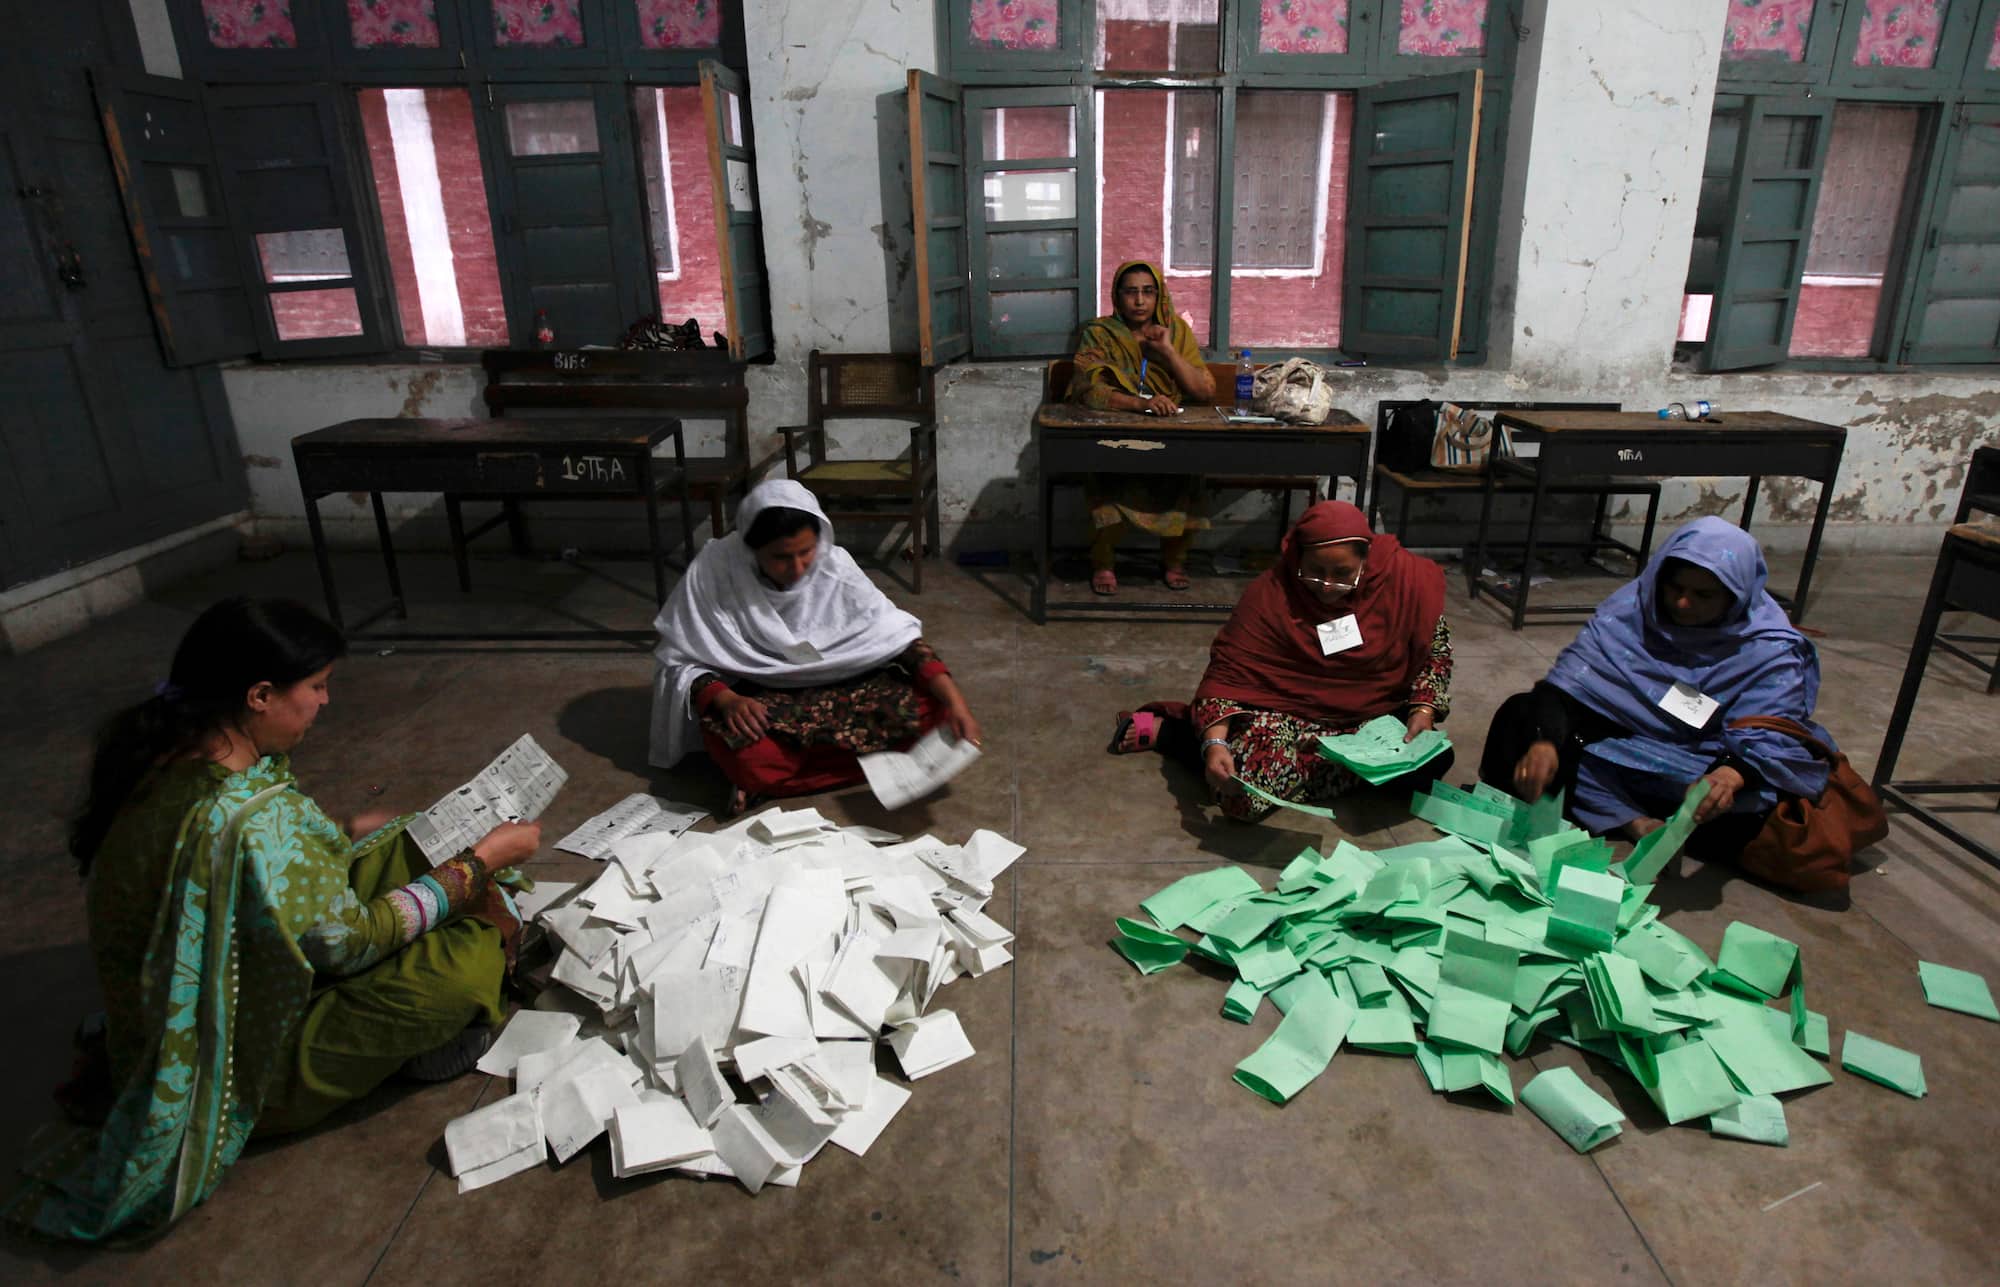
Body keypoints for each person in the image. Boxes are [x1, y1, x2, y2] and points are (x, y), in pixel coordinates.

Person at [9, 598, 536, 1242]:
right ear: (260, 695)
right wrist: (479, 864)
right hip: (232, 1056)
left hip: (219, 983)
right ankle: (445, 999)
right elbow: (351, 944)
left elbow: (280, 880)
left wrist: (350, 835)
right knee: (455, 975)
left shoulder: (161, 756)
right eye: (316, 686)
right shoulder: (256, 821)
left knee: (405, 840)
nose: (324, 702)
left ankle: (471, 898)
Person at [1479, 517, 1833, 859]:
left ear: (1736, 597)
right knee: (1522, 720)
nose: (1682, 603)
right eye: (1675, 588)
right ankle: (1637, 823)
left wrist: (1730, 774)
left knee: (1751, 808)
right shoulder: (1632, 612)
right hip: (1627, 744)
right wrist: (1545, 743)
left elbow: (1767, 733)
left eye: (1703, 595)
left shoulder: (1768, 649)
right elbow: (1569, 688)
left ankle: (1626, 814)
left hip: (1697, 758)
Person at [649, 480, 982, 812]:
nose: (797, 568)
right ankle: (792, 773)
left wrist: (956, 702)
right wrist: (727, 700)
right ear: (751, 549)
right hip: (761, 696)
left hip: (845, 688)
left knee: (935, 712)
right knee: (750, 756)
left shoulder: (835, 567)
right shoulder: (715, 572)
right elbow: (679, 660)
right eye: (780, 557)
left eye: (805, 552)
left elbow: (901, 640)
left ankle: (776, 782)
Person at [1110, 501, 1455, 821]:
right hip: (1287, 715)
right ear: (1296, 559)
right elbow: (1227, 676)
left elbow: (1435, 652)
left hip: (1371, 717)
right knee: (1242, 797)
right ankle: (1177, 735)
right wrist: (1216, 742)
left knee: (1432, 762)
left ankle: (1300, 768)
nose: (1328, 586)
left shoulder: (1404, 581)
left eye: (1343, 573)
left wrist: (1421, 712)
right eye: (1315, 572)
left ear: (1366, 559)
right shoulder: (1271, 595)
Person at [1066, 259, 1217, 595]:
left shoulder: (1176, 332)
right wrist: (1142, 403)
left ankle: (1175, 560)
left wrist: (1167, 352)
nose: (1139, 301)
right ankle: (1103, 562)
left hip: (1170, 433)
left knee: (1188, 475)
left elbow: (1205, 392)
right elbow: (1088, 389)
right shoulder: (1100, 333)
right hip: (1115, 434)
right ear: (1117, 297)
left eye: (1148, 292)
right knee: (1105, 474)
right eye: (1131, 292)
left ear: (1159, 295)